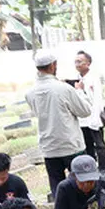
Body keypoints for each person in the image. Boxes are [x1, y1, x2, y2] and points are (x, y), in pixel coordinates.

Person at [24, 50, 92, 196]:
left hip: (49, 147)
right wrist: (80, 91)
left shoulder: (30, 93)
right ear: (53, 65)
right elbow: (85, 111)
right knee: (83, 186)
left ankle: (60, 208)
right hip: (71, 145)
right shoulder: (64, 88)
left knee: (58, 189)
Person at [74, 50, 105, 175]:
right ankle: (91, 168)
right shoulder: (78, 79)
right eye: (76, 62)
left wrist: (80, 90)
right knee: (87, 145)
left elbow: (96, 99)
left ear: (88, 63)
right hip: (83, 119)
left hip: (94, 117)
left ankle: (104, 168)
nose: (77, 64)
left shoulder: (93, 78)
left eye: (80, 61)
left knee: (99, 144)